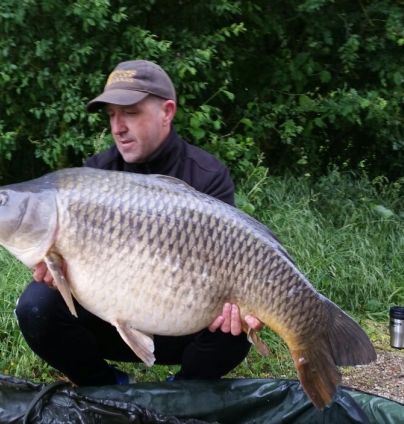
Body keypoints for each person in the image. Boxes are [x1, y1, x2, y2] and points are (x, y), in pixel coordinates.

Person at [14, 60, 262, 386]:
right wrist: (58, 270)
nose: (117, 127)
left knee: (236, 327)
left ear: (167, 112)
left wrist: (237, 307)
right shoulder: (97, 175)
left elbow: (231, 266)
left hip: (186, 322)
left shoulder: (207, 175)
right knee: (36, 306)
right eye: (112, 115)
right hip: (113, 320)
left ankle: (184, 390)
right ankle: (106, 387)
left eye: (129, 113)